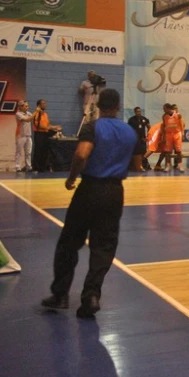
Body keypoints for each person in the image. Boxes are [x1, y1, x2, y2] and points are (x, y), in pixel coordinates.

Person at [40, 89, 136, 318]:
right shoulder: (129, 132)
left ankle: (60, 294)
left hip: (90, 189)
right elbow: (138, 162)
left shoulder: (93, 126)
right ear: (118, 106)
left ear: (99, 105)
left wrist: (72, 178)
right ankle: (91, 296)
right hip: (114, 193)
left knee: (69, 242)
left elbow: (82, 154)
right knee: (103, 247)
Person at [31, 99, 61, 172]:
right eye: (43, 103)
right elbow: (38, 125)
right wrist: (49, 127)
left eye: (45, 103)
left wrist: (54, 127)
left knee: (44, 151)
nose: (45, 105)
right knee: (38, 151)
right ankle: (36, 167)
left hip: (45, 134)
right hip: (39, 134)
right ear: (39, 105)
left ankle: (42, 167)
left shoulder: (45, 114)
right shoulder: (36, 114)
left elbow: (47, 124)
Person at [127, 107, 150, 171]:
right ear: (135, 112)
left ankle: (143, 165)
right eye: (137, 111)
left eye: (139, 111)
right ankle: (135, 166)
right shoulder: (131, 120)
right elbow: (129, 129)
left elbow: (149, 126)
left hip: (142, 139)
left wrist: (148, 136)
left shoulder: (144, 119)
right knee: (135, 153)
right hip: (135, 139)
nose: (138, 113)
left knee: (143, 152)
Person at [15, 101, 33, 172]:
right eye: (25, 106)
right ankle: (18, 167)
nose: (27, 107)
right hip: (20, 135)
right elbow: (27, 120)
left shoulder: (29, 113)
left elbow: (32, 118)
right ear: (20, 107)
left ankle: (28, 167)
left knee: (28, 152)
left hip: (28, 135)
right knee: (19, 152)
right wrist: (36, 113)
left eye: (27, 106)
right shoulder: (18, 114)